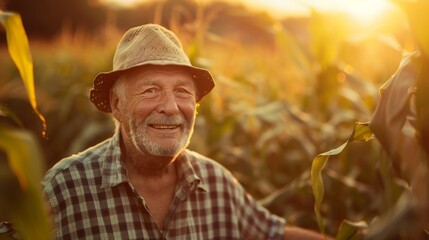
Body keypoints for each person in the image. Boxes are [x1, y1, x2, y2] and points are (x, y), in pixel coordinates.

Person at [42, 24, 328, 239]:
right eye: (151, 90)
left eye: (182, 91)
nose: (170, 107)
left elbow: (272, 234)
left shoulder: (216, 183)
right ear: (116, 105)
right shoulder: (65, 189)